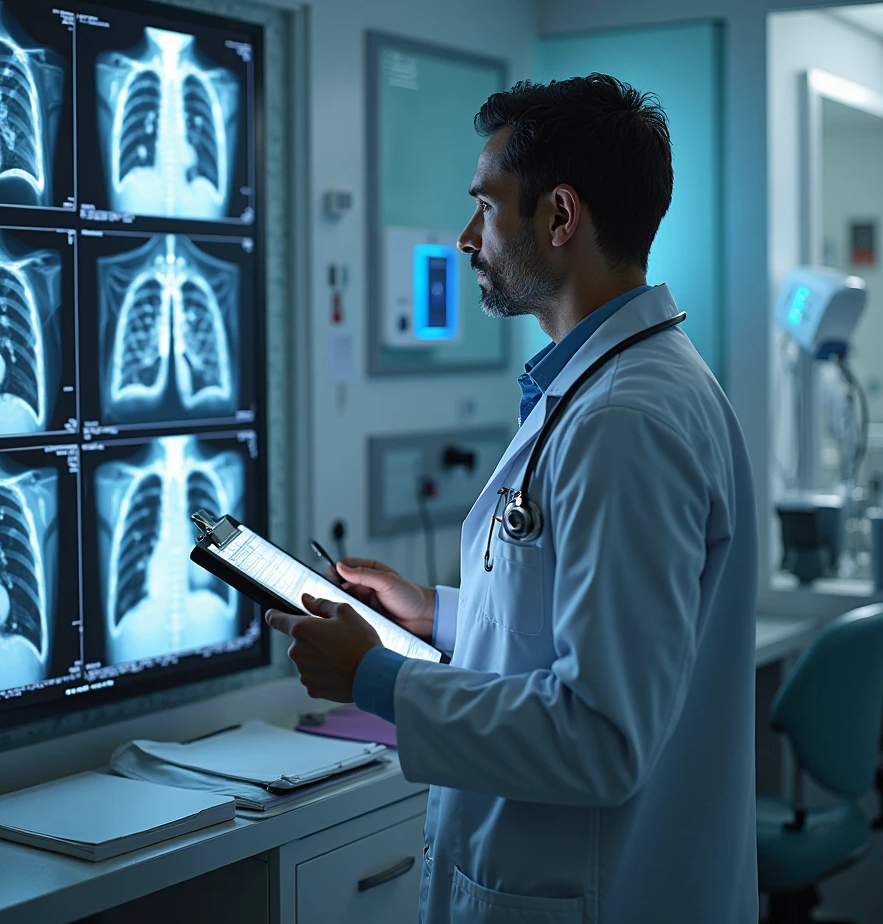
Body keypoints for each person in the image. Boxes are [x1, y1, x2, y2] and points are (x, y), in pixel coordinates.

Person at [268, 74, 758, 923]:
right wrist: (437, 617)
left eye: (485, 207)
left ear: (560, 218)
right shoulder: (619, 389)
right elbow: (589, 631)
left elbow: (600, 736)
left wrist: (375, 676)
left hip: (600, 893)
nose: (466, 238)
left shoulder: (625, 420)